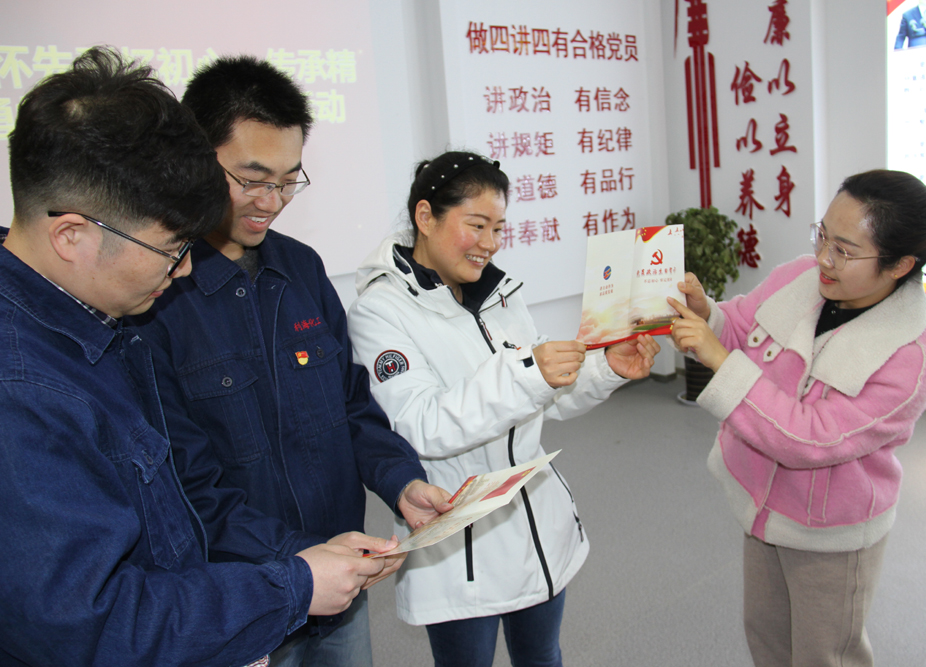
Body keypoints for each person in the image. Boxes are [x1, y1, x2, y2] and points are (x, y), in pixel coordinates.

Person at [0, 46, 396, 667]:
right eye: (169, 248)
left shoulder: (96, 318)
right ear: (71, 235)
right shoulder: (26, 388)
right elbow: (90, 621)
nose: (184, 269)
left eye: (286, 181)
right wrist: (287, 585)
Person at [128, 55, 452, 667]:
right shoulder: (157, 296)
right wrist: (301, 562)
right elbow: (184, 482)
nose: (271, 201)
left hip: (340, 579)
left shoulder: (301, 268)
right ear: (194, 159)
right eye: (252, 179)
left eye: (286, 181)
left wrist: (401, 481)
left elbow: (352, 405)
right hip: (241, 596)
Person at [347, 151, 661, 667]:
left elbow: (542, 400)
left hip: (536, 526)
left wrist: (606, 368)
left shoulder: (499, 292)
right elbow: (421, 425)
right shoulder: (379, 311)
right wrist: (528, 373)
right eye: (477, 225)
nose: (491, 243)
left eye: (498, 228)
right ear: (425, 217)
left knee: (543, 657)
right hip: (460, 544)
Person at [667, 169, 926, 667]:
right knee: (766, 639)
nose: (824, 259)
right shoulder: (799, 278)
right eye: (823, 236)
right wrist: (708, 315)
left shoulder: (910, 357)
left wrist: (719, 359)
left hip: (830, 533)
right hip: (761, 506)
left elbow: (809, 440)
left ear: (900, 265)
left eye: (845, 251)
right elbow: (742, 325)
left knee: (824, 655)